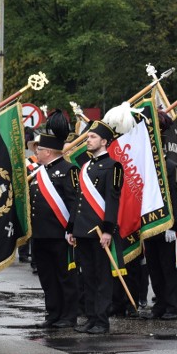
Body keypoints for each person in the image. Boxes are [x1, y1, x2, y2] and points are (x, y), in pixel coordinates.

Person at [67, 117, 125, 334]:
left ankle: (101, 320)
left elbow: (113, 200)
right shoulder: (85, 166)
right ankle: (91, 318)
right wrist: (71, 228)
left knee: (101, 278)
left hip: (101, 231)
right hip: (83, 231)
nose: (88, 140)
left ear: (104, 141)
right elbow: (78, 200)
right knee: (87, 277)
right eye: (88, 137)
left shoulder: (113, 166)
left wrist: (109, 230)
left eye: (92, 137)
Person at [29, 110, 80, 328]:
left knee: (65, 277)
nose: (36, 153)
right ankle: (53, 313)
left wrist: (71, 229)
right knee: (47, 278)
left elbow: (75, 202)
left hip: (60, 234)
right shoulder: (38, 172)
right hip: (40, 234)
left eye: (38, 149)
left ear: (48, 152)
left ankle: (68, 316)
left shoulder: (68, 170)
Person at [142, 112, 177, 320]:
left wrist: (173, 225)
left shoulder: (171, 165)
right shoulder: (146, 168)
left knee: (168, 269)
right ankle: (159, 304)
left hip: (166, 225)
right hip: (149, 224)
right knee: (154, 268)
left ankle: (171, 307)